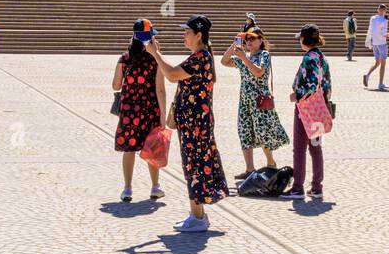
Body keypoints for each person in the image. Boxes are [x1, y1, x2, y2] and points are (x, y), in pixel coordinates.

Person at [146, 14, 229, 232]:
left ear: (199, 34)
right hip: (195, 121)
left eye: (187, 32)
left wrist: (156, 54)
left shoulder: (200, 57)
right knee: (194, 164)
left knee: (195, 165)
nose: (184, 35)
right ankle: (197, 213)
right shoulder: (202, 56)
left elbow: (172, 75)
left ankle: (198, 217)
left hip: (195, 123)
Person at [113, 19, 167, 202]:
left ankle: (127, 189)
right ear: (150, 38)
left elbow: (115, 85)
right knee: (152, 149)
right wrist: (162, 115)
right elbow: (160, 89)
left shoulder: (125, 57)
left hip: (129, 111)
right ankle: (155, 187)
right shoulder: (155, 59)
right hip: (150, 110)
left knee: (129, 150)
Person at [223, 27, 288, 180]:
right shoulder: (243, 56)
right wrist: (234, 45)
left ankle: (271, 163)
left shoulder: (264, 55)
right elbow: (224, 61)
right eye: (246, 39)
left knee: (262, 131)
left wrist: (244, 59)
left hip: (260, 100)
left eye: (252, 38)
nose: (249, 41)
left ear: (261, 40)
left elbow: (259, 72)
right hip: (245, 100)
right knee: (244, 131)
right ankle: (249, 168)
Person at [281, 23, 331, 201]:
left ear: (304, 39)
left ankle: (297, 187)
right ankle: (317, 187)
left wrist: (297, 95)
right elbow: (327, 84)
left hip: (306, 108)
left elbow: (310, 85)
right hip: (319, 108)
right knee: (315, 147)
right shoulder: (321, 57)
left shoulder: (309, 58)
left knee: (300, 148)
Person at [361, 4, 389, 91]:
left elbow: (371, 30)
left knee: (377, 62)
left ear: (378, 10)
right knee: (383, 64)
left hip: (375, 43)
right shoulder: (384, 20)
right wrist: (388, 35)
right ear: (384, 11)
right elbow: (383, 32)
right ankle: (380, 84)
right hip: (382, 43)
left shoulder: (372, 18)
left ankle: (367, 75)